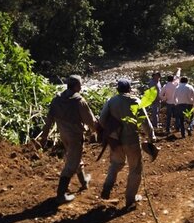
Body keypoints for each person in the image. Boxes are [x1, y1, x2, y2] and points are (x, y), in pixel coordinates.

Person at [40, 75, 98, 204]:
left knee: (74, 158)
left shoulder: (56, 100)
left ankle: (84, 181)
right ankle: (61, 195)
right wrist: (97, 131)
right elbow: (90, 121)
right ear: (76, 86)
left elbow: (49, 121)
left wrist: (44, 137)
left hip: (64, 135)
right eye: (80, 85)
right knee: (71, 165)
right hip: (75, 136)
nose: (81, 87)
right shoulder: (79, 102)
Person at [99, 79, 156, 209]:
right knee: (135, 169)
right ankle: (130, 200)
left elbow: (102, 120)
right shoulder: (136, 101)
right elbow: (145, 123)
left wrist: (111, 131)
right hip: (131, 140)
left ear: (117, 89)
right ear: (129, 89)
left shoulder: (111, 101)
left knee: (116, 164)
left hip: (115, 141)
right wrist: (151, 137)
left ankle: (106, 188)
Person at [159, 68, 181, 133]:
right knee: (177, 116)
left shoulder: (165, 86)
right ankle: (177, 128)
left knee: (168, 117)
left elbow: (160, 95)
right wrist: (179, 70)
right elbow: (178, 76)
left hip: (169, 103)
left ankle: (168, 129)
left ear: (167, 80)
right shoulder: (176, 84)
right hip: (175, 102)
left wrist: (165, 98)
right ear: (173, 79)